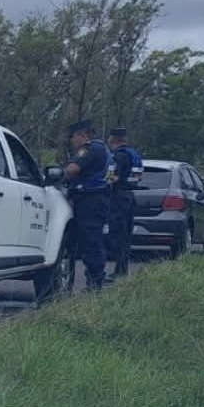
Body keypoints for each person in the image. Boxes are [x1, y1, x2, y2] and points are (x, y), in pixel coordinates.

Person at [63, 119, 113, 291]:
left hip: (89, 201)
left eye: (73, 137)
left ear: (82, 135)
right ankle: (95, 280)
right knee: (94, 241)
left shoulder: (90, 149)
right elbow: (111, 178)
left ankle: (95, 282)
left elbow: (73, 169)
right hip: (98, 199)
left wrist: (64, 174)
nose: (72, 141)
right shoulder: (105, 150)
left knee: (91, 242)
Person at [105, 127, 144, 278]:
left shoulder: (119, 156)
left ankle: (120, 271)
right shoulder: (133, 154)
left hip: (118, 198)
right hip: (129, 196)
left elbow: (113, 178)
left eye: (110, 137)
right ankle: (122, 269)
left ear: (114, 139)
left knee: (117, 235)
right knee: (125, 235)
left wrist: (104, 182)